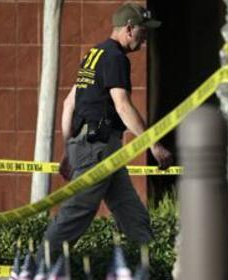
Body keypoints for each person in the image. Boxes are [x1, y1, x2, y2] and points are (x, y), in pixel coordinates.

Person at [44, 3, 172, 258]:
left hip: (99, 148)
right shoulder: (115, 58)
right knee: (75, 215)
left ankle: (152, 271)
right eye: (142, 31)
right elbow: (122, 106)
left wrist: (69, 149)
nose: (145, 37)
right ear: (128, 28)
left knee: (131, 212)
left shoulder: (94, 55)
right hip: (98, 150)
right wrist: (153, 145)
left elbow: (70, 103)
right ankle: (37, 270)